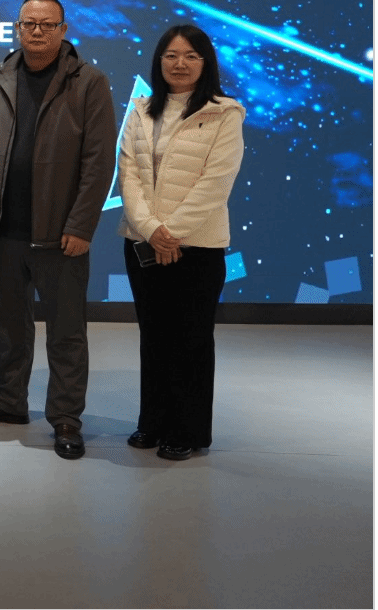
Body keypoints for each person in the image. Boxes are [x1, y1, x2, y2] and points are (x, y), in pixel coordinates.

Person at [0, 0, 115, 460]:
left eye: (48, 24)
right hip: (3, 230)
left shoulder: (88, 82)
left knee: (66, 332)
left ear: (64, 30)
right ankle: (9, 400)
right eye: (29, 23)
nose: (38, 31)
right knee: (11, 326)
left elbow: (98, 162)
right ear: (17, 29)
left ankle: (65, 417)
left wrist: (81, 224)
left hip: (60, 234)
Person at [118, 25, 244, 461]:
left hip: (198, 247)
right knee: (153, 336)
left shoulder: (225, 113)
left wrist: (172, 233)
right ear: (159, 61)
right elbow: (128, 174)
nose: (180, 63)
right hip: (142, 242)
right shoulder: (140, 109)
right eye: (171, 55)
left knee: (190, 340)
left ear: (205, 63)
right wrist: (152, 229)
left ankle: (187, 431)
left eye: (191, 56)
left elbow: (216, 182)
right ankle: (152, 422)